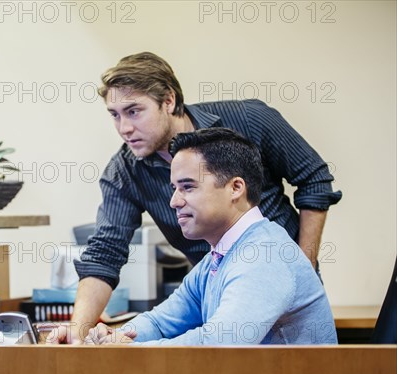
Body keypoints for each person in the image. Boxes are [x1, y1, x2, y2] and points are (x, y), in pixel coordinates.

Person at [48, 52, 341, 344]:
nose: (123, 128)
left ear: (169, 101)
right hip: (229, 285)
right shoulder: (212, 261)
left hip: (271, 280)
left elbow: (314, 178)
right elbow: (109, 258)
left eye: (134, 111)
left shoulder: (248, 120)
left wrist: (301, 265)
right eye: (115, 115)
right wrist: (93, 336)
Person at [86, 129, 337, 345]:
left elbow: (217, 344)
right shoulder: (217, 259)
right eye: (174, 188)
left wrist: (128, 348)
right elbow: (160, 323)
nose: (174, 201)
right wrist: (116, 337)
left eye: (188, 187)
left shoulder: (264, 255)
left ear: (235, 188)